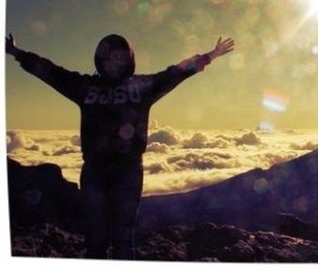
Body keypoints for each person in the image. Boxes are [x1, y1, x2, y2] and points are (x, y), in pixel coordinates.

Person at [5, 33, 234, 259]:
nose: (117, 62)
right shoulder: (85, 87)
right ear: (101, 59)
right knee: (96, 238)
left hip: (129, 170)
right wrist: (16, 52)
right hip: (95, 170)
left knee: (124, 238)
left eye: (122, 57)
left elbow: (175, 74)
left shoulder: (142, 87)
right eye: (112, 57)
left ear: (129, 60)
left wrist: (210, 56)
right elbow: (51, 72)